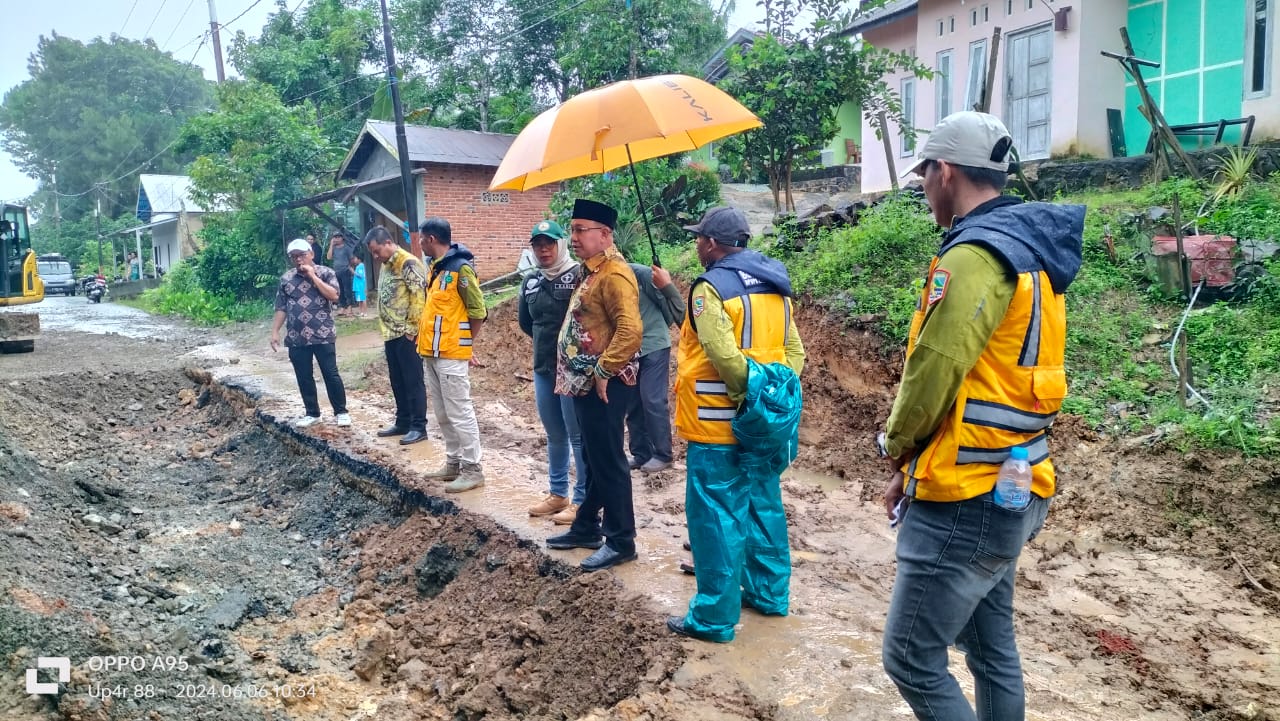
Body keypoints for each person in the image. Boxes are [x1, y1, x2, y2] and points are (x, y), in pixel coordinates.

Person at [879, 111, 1083, 721]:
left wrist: (896, 447)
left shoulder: (973, 257)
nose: (923, 188)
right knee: (991, 650)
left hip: (966, 496)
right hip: (1018, 481)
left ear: (945, 171)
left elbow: (934, 371)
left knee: (911, 658)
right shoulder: (1033, 250)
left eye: (924, 175)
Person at [664, 206, 805, 644]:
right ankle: (768, 595)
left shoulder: (710, 288)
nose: (697, 245)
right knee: (764, 507)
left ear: (711, 243)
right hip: (766, 427)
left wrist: (751, 396)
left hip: (718, 426)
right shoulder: (774, 283)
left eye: (698, 238)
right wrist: (772, 399)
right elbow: (794, 352)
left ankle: (713, 619)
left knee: (716, 518)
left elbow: (722, 354)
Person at [545, 199, 643, 572]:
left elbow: (631, 330)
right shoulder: (592, 270)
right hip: (586, 383)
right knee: (593, 456)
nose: (573, 237)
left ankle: (621, 540)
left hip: (606, 384)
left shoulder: (615, 274)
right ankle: (587, 526)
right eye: (572, 230)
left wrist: (604, 369)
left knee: (608, 460)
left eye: (580, 230)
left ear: (605, 234)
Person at [519, 220, 588, 524]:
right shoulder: (531, 281)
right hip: (544, 367)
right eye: (538, 245)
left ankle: (582, 499)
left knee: (577, 435)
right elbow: (526, 323)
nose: (543, 250)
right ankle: (558, 493)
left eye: (549, 243)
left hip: (572, 370)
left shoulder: (579, 276)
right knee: (554, 433)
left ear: (560, 244)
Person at [417, 217, 487, 493]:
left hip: (451, 352)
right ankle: (453, 463)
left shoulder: (461, 269)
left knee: (460, 412)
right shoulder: (436, 268)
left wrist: (465, 345)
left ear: (431, 239)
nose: (420, 243)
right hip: (432, 352)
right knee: (443, 412)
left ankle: (473, 469)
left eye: (421, 238)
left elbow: (478, 311)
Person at [269, 238, 350, 429]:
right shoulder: (286, 279)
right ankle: (312, 413)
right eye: (294, 256)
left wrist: (313, 276)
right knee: (303, 375)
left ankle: (341, 412)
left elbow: (334, 295)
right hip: (296, 337)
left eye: (302, 255)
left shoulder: (326, 273)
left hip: (323, 334)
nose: (298, 259)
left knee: (330, 374)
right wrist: (275, 331)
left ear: (311, 254)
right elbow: (281, 308)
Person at [364, 226, 429, 445]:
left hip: (406, 335)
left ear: (388, 243)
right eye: (373, 252)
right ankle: (403, 422)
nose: (375, 256)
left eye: (377, 251)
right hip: (390, 334)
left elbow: (419, 297)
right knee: (397, 381)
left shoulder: (407, 262)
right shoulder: (386, 265)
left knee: (413, 381)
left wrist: (412, 330)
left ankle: (418, 427)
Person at [625, 262, 684, 474]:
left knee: (652, 399)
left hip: (654, 344)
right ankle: (641, 453)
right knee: (633, 402)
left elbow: (666, 307)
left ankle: (663, 454)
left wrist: (657, 328)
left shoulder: (641, 274)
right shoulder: (607, 278)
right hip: (627, 349)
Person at [327, 232, 355, 315]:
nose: (336, 239)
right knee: (340, 290)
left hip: (345, 270)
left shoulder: (346, 248)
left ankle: (349, 307)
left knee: (347, 290)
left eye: (338, 237)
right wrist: (331, 245)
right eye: (335, 237)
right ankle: (343, 307)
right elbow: (329, 257)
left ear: (342, 238)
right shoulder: (334, 248)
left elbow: (351, 259)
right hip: (337, 271)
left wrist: (349, 267)